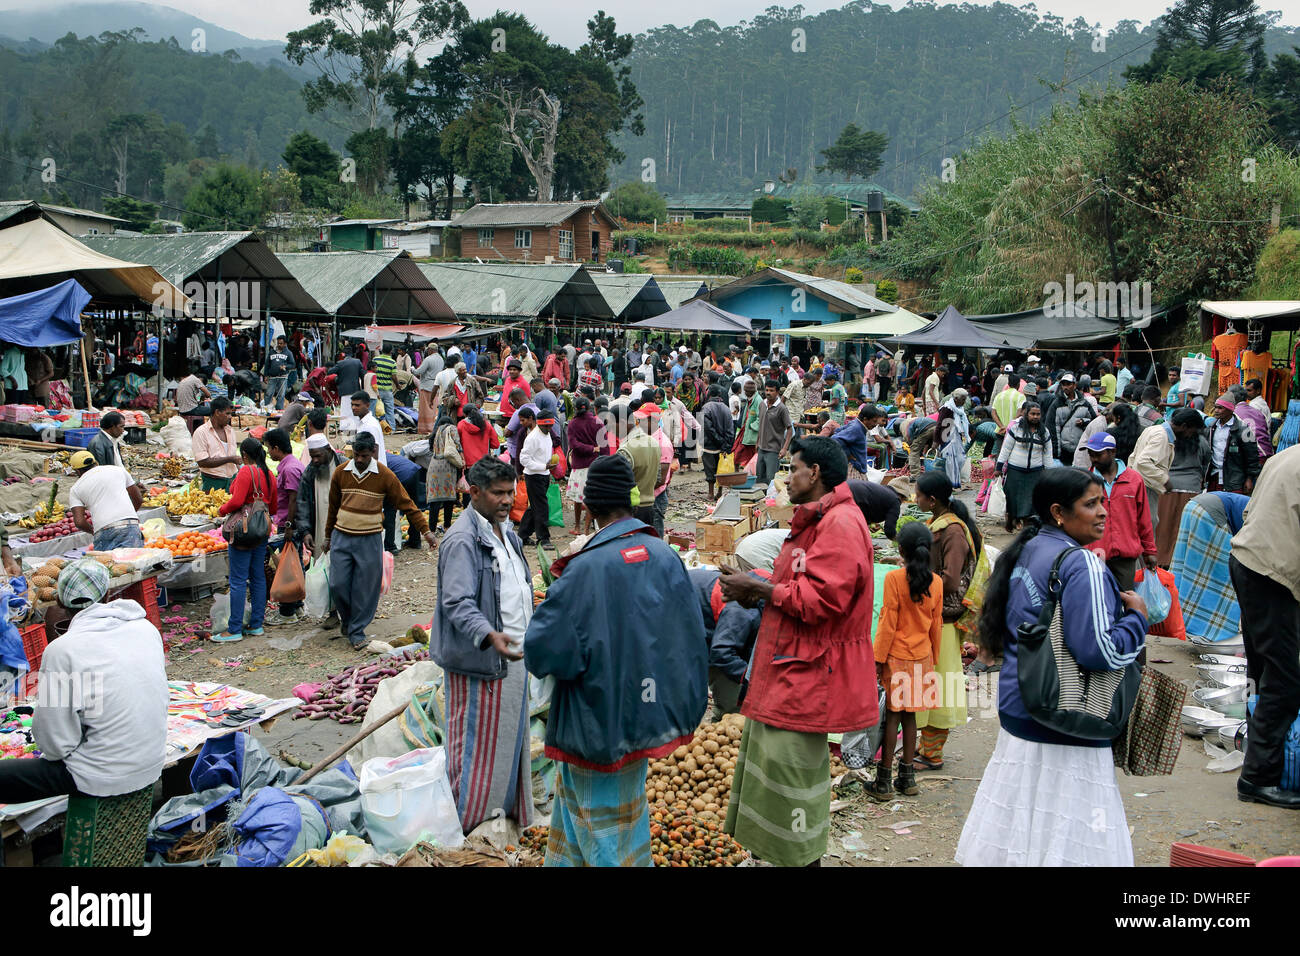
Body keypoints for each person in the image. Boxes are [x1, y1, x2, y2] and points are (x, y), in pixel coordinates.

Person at [956, 468, 1147, 866]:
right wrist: (1137, 621)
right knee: (1068, 834)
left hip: (1022, 707)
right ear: (1059, 512)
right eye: (1090, 504)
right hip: (1066, 717)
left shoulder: (1028, 548)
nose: (1102, 513)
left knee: (1026, 830)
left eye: (1102, 503)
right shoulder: (1084, 565)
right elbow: (1099, 652)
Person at [524, 454, 708, 866]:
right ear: (633, 499)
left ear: (587, 507)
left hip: (598, 724)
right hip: (647, 715)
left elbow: (543, 650)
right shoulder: (664, 555)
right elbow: (689, 639)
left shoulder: (585, 569)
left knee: (603, 832)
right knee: (596, 820)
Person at [718, 436, 877, 867]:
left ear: (816, 474)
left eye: (793, 468)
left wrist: (760, 588)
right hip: (788, 670)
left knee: (792, 778)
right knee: (773, 775)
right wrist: (760, 592)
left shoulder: (840, 524)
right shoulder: (820, 520)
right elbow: (801, 588)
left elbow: (823, 601)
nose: (787, 478)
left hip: (807, 677)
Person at [0, 559, 166, 803]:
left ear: (58, 602)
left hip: (101, 777)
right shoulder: (145, 628)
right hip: (152, 761)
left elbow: (55, 745)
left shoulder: (62, 650)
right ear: (108, 594)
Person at [433, 455, 535, 831]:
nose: (507, 501)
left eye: (510, 492)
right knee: (475, 749)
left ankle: (505, 818)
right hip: (481, 661)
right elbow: (456, 602)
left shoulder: (506, 532)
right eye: (498, 493)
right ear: (474, 493)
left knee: (510, 743)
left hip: (514, 657)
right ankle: (469, 827)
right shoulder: (461, 539)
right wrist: (488, 634)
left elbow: (517, 588)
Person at [1228, 445, 1300, 809]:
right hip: (1273, 573)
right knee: (1286, 680)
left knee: (1262, 669)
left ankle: (1254, 753)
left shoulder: (1286, 455)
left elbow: (1248, 510)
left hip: (1245, 558)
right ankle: (1258, 777)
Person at [325, 432, 436, 651]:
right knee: (338, 584)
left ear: (373, 453)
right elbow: (333, 507)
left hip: (370, 538)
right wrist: (328, 536)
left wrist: (426, 531)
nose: (359, 459)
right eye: (356, 455)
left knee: (365, 588)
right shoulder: (340, 473)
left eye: (364, 456)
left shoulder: (385, 475)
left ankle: (357, 631)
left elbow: (407, 504)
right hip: (342, 536)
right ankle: (348, 622)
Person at [868, 522, 943, 801]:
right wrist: (932, 660)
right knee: (911, 717)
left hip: (897, 657)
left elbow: (888, 623)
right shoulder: (936, 582)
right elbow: (936, 626)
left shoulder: (895, 579)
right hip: (922, 656)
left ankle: (884, 780)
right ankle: (908, 778)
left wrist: (878, 659)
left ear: (901, 550)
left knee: (892, 717)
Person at [913, 470, 981, 759]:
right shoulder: (938, 524)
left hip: (944, 618)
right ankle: (927, 746)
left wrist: (915, 581)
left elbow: (950, 580)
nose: (914, 499)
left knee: (939, 686)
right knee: (931, 682)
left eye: (917, 495)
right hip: (933, 615)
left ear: (931, 499)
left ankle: (933, 754)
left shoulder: (952, 531)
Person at [213, 437, 276, 642]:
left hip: (243, 531)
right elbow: (273, 507)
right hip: (262, 530)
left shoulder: (246, 471)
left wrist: (221, 510)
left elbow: (237, 501)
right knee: (257, 575)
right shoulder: (269, 474)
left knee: (238, 579)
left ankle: (234, 629)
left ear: (245, 456)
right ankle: (256, 624)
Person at [1083, 431, 1155, 592]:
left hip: (1126, 554)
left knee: (1125, 600)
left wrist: (1149, 551)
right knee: (1097, 599)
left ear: (1112, 452)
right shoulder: (1085, 481)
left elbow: (1144, 519)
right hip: (1095, 553)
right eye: (1090, 454)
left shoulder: (1134, 480)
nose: (1093, 459)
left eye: (1098, 454)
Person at [1129, 407, 1203, 534]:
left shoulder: (1154, 430)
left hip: (1138, 483)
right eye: (1192, 431)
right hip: (1145, 486)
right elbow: (1143, 462)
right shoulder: (1161, 436)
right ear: (1184, 426)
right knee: (1148, 525)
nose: (1190, 435)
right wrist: (1165, 480)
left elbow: (1134, 457)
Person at [1156, 409, 1212, 565]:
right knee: (1183, 530)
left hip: (1167, 488)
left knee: (1163, 528)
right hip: (1192, 489)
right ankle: (1179, 562)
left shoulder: (1167, 439)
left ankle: (1160, 560)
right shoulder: (1201, 442)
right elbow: (1206, 461)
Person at [263, 428, 306, 626]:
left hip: (290, 524)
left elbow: (293, 498)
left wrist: (288, 525)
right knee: (294, 563)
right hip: (289, 522)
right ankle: (297, 606)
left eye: (269, 448)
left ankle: (288, 611)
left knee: (288, 567)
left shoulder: (289, 469)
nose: (269, 453)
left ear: (277, 448)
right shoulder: (290, 465)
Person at [997, 401, 1056, 533]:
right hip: (1015, 470)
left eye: (1038, 414)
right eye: (1032, 414)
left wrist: (1050, 473)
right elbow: (1006, 449)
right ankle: (1012, 519)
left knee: (1031, 500)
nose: (1035, 417)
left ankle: (1026, 525)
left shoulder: (1044, 432)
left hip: (1035, 472)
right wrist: (999, 467)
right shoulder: (1016, 429)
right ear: (1026, 414)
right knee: (1012, 497)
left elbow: (1047, 454)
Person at [68, 450, 144, 550]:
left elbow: (79, 522)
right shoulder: (118, 470)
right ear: (95, 463)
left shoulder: (75, 489)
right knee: (131, 562)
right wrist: (126, 516)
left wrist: (94, 531)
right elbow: (138, 499)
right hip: (129, 527)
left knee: (107, 564)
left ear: (77, 471)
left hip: (103, 530)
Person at [425, 394, 464, 536]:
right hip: (447, 465)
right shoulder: (451, 428)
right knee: (449, 498)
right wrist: (462, 460)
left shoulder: (435, 433)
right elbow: (457, 445)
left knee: (435, 499)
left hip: (434, 465)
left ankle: (432, 529)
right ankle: (447, 526)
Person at [565, 396, 603, 534]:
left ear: (575, 408)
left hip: (579, 465)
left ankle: (577, 527)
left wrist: (589, 448)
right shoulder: (597, 422)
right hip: (595, 465)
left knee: (578, 498)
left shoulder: (573, 424)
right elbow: (603, 444)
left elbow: (574, 445)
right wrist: (594, 449)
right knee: (590, 497)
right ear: (589, 407)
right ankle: (587, 529)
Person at [517, 413, 556, 549]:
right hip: (534, 476)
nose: (550, 428)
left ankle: (522, 535)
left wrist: (547, 467)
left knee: (535, 506)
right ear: (539, 423)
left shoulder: (547, 434)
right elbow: (524, 459)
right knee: (541, 507)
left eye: (551, 425)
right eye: (547, 425)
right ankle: (543, 538)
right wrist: (543, 466)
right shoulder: (533, 437)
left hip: (544, 474)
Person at [1206, 397, 1259, 494]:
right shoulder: (1211, 427)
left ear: (1230, 410)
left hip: (1235, 480)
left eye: (1220, 408)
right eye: (1216, 407)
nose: (1216, 411)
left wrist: (1250, 478)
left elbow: (1252, 456)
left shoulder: (1244, 429)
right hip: (1214, 476)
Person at [192, 397, 240, 492]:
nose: (230, 417)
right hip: (213, 482)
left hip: (231, 480)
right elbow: (202, 462)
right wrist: (230, 459)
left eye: (231, 414)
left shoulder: (230, 430)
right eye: (227, 413)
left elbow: (233, 455)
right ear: (217, 412)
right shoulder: (201, 432)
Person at [698, 386, 734, 501]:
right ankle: (719, 492)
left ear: (709, 395)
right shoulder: (726, 408)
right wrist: (726, 444)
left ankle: (710, 493)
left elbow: (708, 428)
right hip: (722, 445)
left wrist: (719, 440)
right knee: (720, 468)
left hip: (709, 444)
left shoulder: (705, 408)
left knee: (709, 469)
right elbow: (730, 429)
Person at [754, 379, 792, 485]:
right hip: (761, 448)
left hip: (774, 449)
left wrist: (784, 448)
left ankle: (770, 500)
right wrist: (757, 442)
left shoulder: (781, 408)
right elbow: (761, 424)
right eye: (767, 390)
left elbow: (789, 429)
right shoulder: (762, 404)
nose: (768, 393)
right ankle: (762, 500)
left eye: (771, 390)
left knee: (770, 479)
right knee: (759, 478)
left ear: (777, 392)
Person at [1052, 374, 1097, 463]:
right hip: (1064, 450)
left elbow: (1094, 421)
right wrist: (1057, 451)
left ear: (1074, 385)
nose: (1065, 387)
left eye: (1068, 384)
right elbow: (1053, 427)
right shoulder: (1056, 404)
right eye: (1063, 384)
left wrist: (1084, 421)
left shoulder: (1084, 403)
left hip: (1080, 448)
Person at [348, 391, 387, 466]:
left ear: (367, 405)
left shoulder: (370, 426)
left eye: (357, 405)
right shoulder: (363, 422)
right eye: (352, 405)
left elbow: (374, 455)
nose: (353, 408)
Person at [415, 347, 444, 432]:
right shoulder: (441, 359)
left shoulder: (428, 359)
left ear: (430, 350)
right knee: (433, 407)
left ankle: (425, 429)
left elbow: (419, 371)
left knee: (425, 408)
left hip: (426, 385)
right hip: (436, 386)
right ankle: (432, 427)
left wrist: (412, 369)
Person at [263, 336, 294, 411]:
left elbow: (292, 364)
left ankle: (279, 411)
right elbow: (267, 364)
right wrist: (266, 375)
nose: (279, 345)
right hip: (272, 377)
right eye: (278, 343)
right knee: (268, 394)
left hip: (283, 377)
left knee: (281, 395)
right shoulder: (272, 352)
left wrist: (285, 366)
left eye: (281, 343)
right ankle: (267, 409)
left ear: (285, 344)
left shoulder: (288, 353)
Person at [371, 347, 397, 429]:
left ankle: (374, 428)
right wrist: (397, 385)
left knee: (374, 409)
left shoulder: (375, 359)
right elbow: (393, 376)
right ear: (391, 351)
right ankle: (392, 428)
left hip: (375, 389)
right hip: (387, 389)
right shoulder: (392, 362)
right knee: (389, 409)